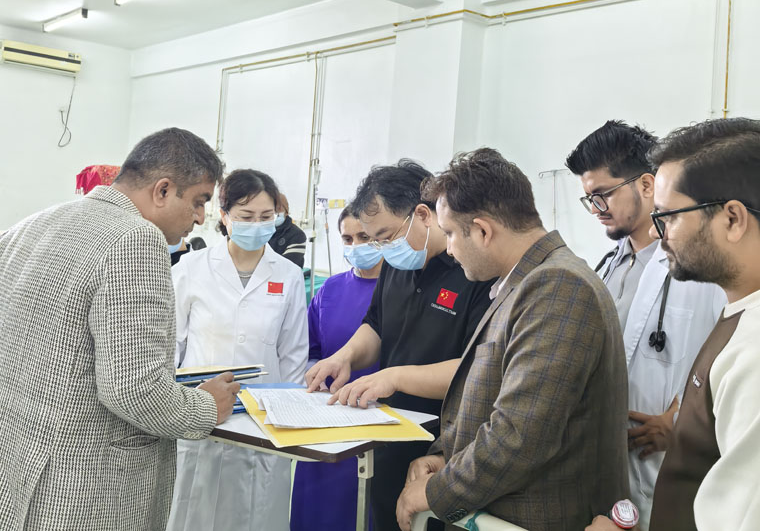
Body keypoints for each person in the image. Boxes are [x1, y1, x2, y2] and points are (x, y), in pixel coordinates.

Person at [0, 127, 240, 531]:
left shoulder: (31, 225)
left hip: (17, 466)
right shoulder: (135, 238)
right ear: (163, 190)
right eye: (199, 201)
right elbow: (133, 388)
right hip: (79, 489)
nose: (201, 218)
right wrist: (205, 406)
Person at [396, 147, 629, 531]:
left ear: (483, 231)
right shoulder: (523, 284)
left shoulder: (557, 285)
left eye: (450, 233)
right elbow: (493, 397)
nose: (449, 248)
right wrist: (445, 458)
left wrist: (437, 491)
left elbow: (519, 435)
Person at [587, 118, 760, 531]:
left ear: (732, 220)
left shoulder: (755, 356)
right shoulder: (740, 313)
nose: (656, 231)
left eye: (669, 216)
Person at [305, 159, 494, 531]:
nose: (381, 247)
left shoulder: (473, 270)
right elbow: (376, 325)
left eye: (386, 235)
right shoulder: (397, 262)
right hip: (389, 435)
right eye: (373, 238)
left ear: (422, 215)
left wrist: (394, 377)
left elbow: (477, 369)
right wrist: (345, 356)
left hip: (446, 449)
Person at [167, 169, 308, 531]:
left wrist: (287, 419)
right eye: (246, 216)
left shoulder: (288, 275)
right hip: (201, 419)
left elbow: (294, 356)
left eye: (266, 216)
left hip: (264, 424)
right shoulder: (191, 268)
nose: (256, 225)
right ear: (225, 216)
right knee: (193, 515)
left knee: (257, 516)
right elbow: (171, 347)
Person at [290, 206, 383, 531]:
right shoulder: (329, 289)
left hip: (376, 423)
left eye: (365, 237)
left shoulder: (397, 290)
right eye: (347, 238)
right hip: (326, 420)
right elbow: (311, 349)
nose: (356, 246)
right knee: (315, 512)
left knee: (361, 512)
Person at [269, 192, 307, 267]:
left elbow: (286, 264)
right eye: (269, 211)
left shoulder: (297, 235)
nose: (274, 213)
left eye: (278, 209)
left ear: (286, 211)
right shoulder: (262, 231)